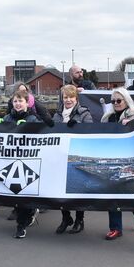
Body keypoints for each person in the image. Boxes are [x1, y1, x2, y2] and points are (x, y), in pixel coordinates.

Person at [100, 87, 134, 239]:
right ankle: (115, 228)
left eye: (119, 100)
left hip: (130, 158)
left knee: (129, 193)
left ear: (126, 100)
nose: (116, 103)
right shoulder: (107, 118)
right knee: (112, 193)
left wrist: (133, 120)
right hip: (113, 157)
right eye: (113, 101)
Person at [53, 85, 93, 234]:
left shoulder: (84, 113)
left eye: (71, 97)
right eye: (65, 97)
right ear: (62, 98)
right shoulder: (57, 115)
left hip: (76, 154)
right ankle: (66, 217)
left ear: (76, 98)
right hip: (60, 157)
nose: (68, 100)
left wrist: (78, 127)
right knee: (60, 190)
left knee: (77, 189)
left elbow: (90, 132)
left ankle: (79, 220)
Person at [3, 91, 41, 239]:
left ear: (27, 103)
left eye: (20, 101)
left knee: (24, 193)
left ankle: (21, 226)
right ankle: (29, 212)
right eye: (15, 101)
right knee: (15, 194)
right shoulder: (7, 118)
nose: (18, 104)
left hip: (28, 160)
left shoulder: (33, 118)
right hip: (11, 159)